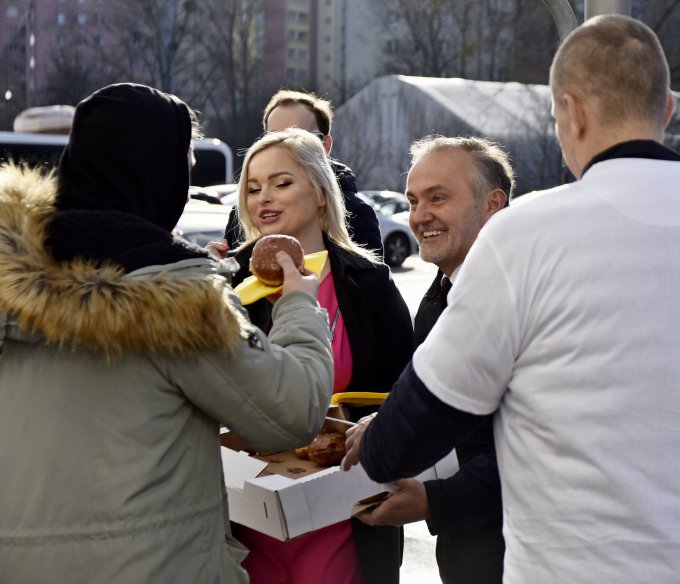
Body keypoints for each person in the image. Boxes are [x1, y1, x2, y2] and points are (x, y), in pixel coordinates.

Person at [343, 15, 680, 584]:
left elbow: (407, 436)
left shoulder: (521, 238)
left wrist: (378, 444)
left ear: (570, 112)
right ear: (668, 109)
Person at [0, 83, 334, 583]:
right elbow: (290, 414)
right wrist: (300, 306)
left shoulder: (12, 282)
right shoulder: (179, 303)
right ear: (162, 174)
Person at [224, 128, 413, 584]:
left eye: (281, 183)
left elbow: (410, 392)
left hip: (345, 511)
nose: (263, 197)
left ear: (321, 193)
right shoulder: (226, 283)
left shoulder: (368, 282)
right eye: (252, 187)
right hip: (246, 514)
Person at [354, 136, 511, 584]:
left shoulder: (518, 301)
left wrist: (434, 501)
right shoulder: (441, 293)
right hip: (466, 551)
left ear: (492, 204)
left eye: (438, 198)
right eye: (413, 200)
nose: (419, 216)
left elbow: (536, 450)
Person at [224, 89, 383, 259]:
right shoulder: (244, 212)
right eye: (273, 137)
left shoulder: (357, 212)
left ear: (325, 145)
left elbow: (369, 278)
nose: (282, 146)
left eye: (297, 138)